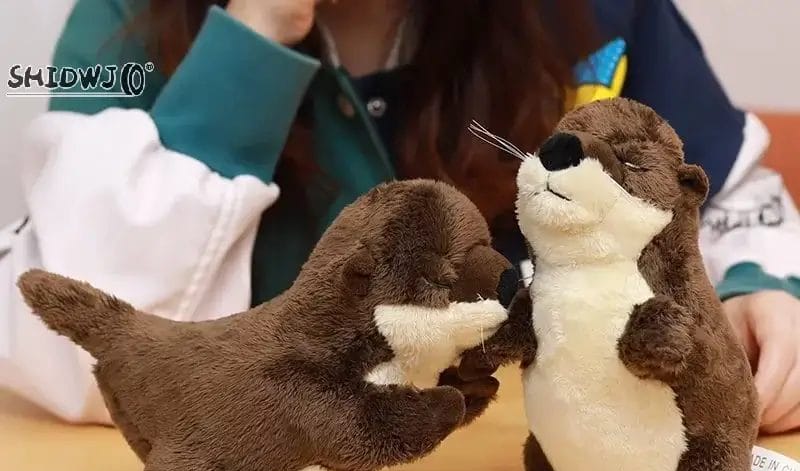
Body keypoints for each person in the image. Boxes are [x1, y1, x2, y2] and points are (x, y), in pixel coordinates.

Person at [2, 0, 799, 431]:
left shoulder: (600, 15)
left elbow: (726, 199)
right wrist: (256, 34)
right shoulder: (123, 22)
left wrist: (755, 286)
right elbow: (81, 347)